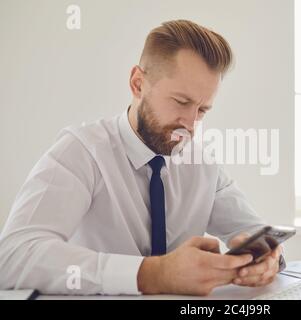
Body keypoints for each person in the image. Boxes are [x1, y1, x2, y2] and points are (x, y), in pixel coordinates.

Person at [0, 19, 283, 296]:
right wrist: (152, 274)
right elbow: (12, 257)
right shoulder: (81, 151)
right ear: (138, 84)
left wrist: (267, 259)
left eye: (203, 110)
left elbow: (255, 232)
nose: (191, 124)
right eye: (181, 102)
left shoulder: (200, 163)